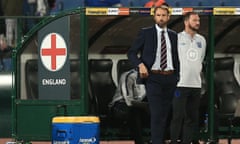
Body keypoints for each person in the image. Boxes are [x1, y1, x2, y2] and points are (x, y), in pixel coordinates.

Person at [127, 4, 180, 144]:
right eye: (158, 15)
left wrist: (177, 77)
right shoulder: (146, 33)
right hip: (153, 78)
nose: (161, 18)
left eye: (163, 15)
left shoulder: (174, 35)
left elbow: (176, 58)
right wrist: (140, 65)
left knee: (166, 114)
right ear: (154, 17)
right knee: (156, 114)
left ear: (168, 17)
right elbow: (131, 53)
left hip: (170, 78)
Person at [170, 12, 206, 144]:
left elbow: (200, 60)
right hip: (180, 84)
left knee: (191, 118)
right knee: (177, 116)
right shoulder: (177, 38)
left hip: (195, 85)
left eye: (199, 20)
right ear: (186, 22)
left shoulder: (202, 40)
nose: (198, 23)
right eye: (195, 20)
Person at [109, 69, 149, 144]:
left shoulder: (154, 77)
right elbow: (129, 101)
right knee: (135, 111)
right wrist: (147, 106)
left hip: (141, 105)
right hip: (120, 105)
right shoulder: (130, 76)